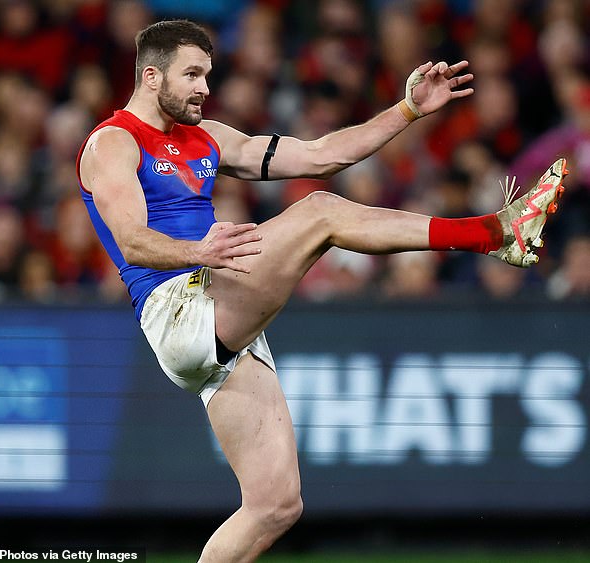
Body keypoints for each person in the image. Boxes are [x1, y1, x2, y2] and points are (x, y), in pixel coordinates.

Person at [76, 19, 567, 563]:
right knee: (320, 213)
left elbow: (321, 156)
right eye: (191, 75)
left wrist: (407, 111)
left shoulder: (208, 138)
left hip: (221, 322)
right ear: (150, 76)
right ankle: (493, 233)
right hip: (180, 306)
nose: (204, 89)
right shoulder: (112, 142)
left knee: (275, 505)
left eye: (208, 76)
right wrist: (200, 252)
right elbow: (132, 240)